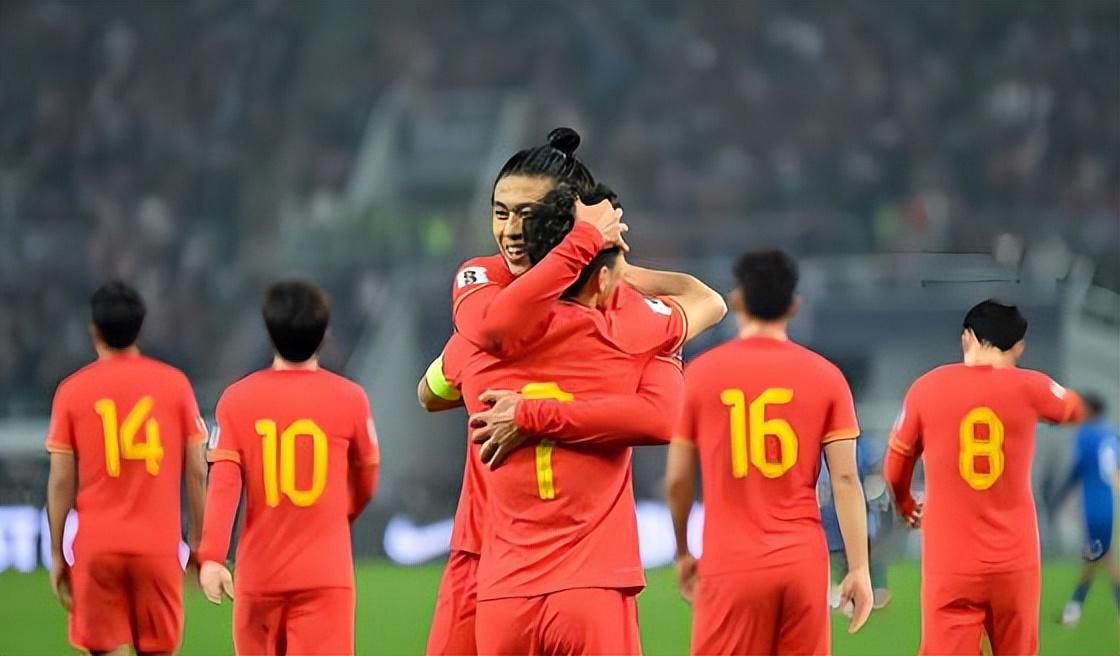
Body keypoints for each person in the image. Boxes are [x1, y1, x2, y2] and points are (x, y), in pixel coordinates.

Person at [448, 183, 726, 654]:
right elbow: (708, 301)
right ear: (601, 277)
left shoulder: (477, 340)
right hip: (590, 586)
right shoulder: (632, 334)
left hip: (503, 594)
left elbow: (430, 390)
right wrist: (619, 265)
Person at [421, 128, 627, 656]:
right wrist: (586, 243)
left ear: (565, 219)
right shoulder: (482, 277)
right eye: (501, 212)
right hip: (482, 548)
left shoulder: (602, 301)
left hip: (573, 564)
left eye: (528, 215)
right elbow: (431, 389)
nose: (511, 231)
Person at [666, 249, 872, 655]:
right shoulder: (827, 377)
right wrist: (859, 568)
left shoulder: (700, 375)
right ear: (794, 305)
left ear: (737, 300)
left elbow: (677, 480)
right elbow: (846, 479)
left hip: (731, 561)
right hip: (802, 562)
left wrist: (683, 551)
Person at [884, 299, 1086, 655]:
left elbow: (895, 465)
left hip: (951, 563)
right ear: (1017, 346)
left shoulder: (927, 388)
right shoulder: (1031, 386)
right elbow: (1075, 408)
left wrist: (906, 505)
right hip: (1015, 561)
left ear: (967, 338)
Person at [198, 280, 380, 656]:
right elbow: (366, 477)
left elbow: (224, 485)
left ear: (269, 331)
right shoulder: (351, 399)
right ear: (324, 333)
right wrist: (338, 515)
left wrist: (212, 556)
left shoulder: (236, 400)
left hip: (259, 576)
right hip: (325, 575)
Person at [45, 281, 207, 655]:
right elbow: (197, 470)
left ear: (94, 331)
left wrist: (56, 552)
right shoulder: (174, 385)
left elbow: (61, 480)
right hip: (157, 547)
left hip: (97, 547)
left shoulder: (72, 391)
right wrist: (200, 543)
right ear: (140, 326)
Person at [1056, 393, 1119, 626]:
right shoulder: (1111, 434)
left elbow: (1077, 470)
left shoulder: (1085, 435)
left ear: (1090, 410)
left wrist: (1059, 496)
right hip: (1108, 504)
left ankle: (1073, 610)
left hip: (1093, 506)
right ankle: (1073, 610)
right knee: (1098, 555)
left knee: (1098, 557)